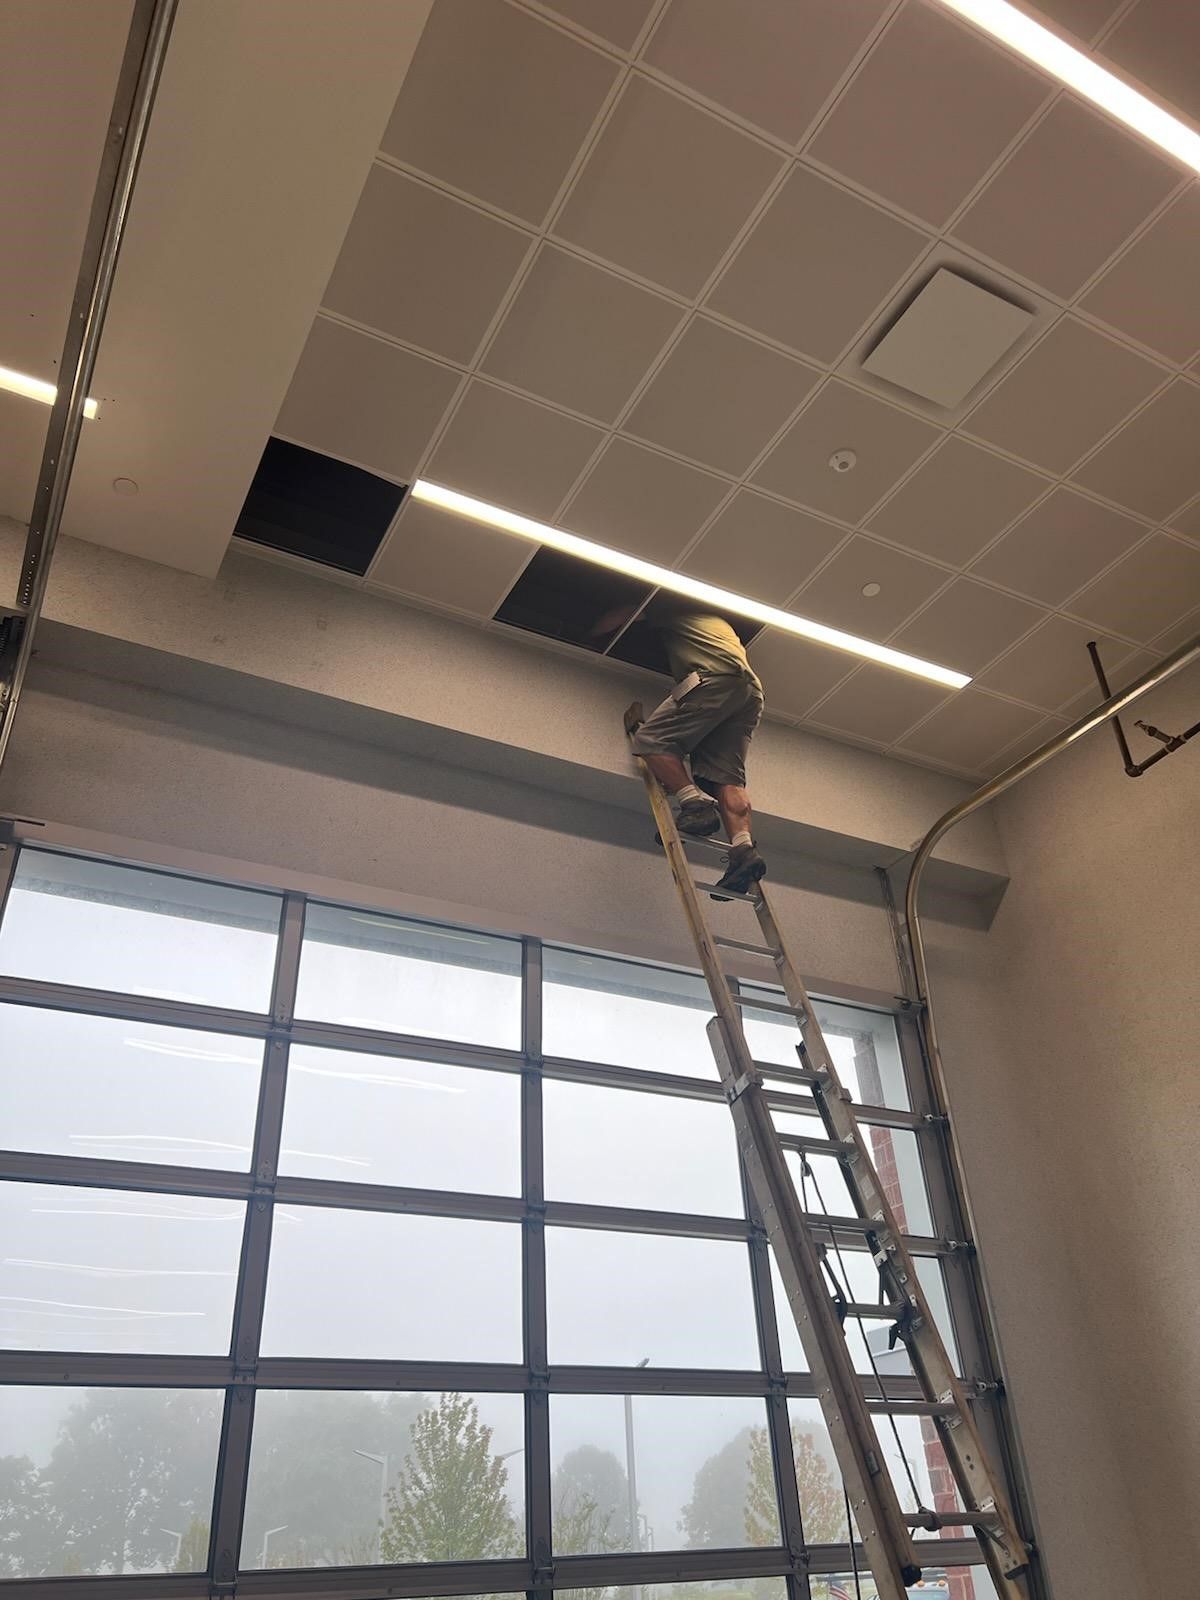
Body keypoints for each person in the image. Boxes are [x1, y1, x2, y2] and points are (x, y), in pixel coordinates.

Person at [599, 601, 767, 898]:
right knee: (727, 778)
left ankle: (695, 805)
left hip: (712, 677)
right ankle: (744, 849)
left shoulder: (672, 604)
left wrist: (603, 619)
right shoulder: (718, 623)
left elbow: (616, 617)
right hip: (750, 692)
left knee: (651, 740)